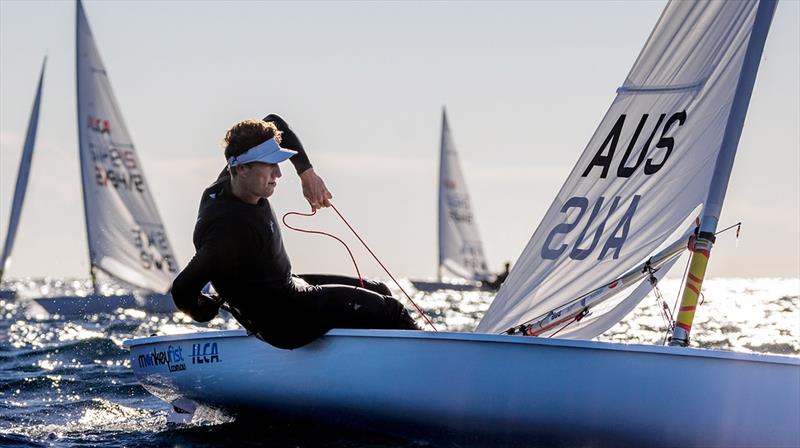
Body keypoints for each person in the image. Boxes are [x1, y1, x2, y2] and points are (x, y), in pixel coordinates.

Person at [171, 115, 419, 349]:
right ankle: (430, 362)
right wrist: (202, 311)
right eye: (269, 165)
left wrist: (306, 174)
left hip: (290, 287)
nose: (278, 174)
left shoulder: (231, 176)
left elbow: (273, 121)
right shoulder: (229, 229)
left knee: (379, 290)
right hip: (286, 321)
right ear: (243, 168)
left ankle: (374, 366)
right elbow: (183, 289)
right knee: (391, 310)